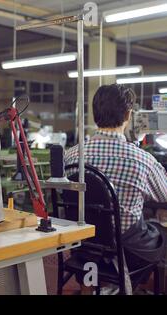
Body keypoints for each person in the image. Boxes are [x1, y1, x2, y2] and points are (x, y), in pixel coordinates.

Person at [65, 84, 166, 280]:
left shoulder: (72, 155)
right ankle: (129, 283)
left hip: (83, 244)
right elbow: (164, 194)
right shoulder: (142, 159)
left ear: (95, 115)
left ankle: (98, 282)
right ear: (128, 115)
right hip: (126, 249)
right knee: (161, 231)